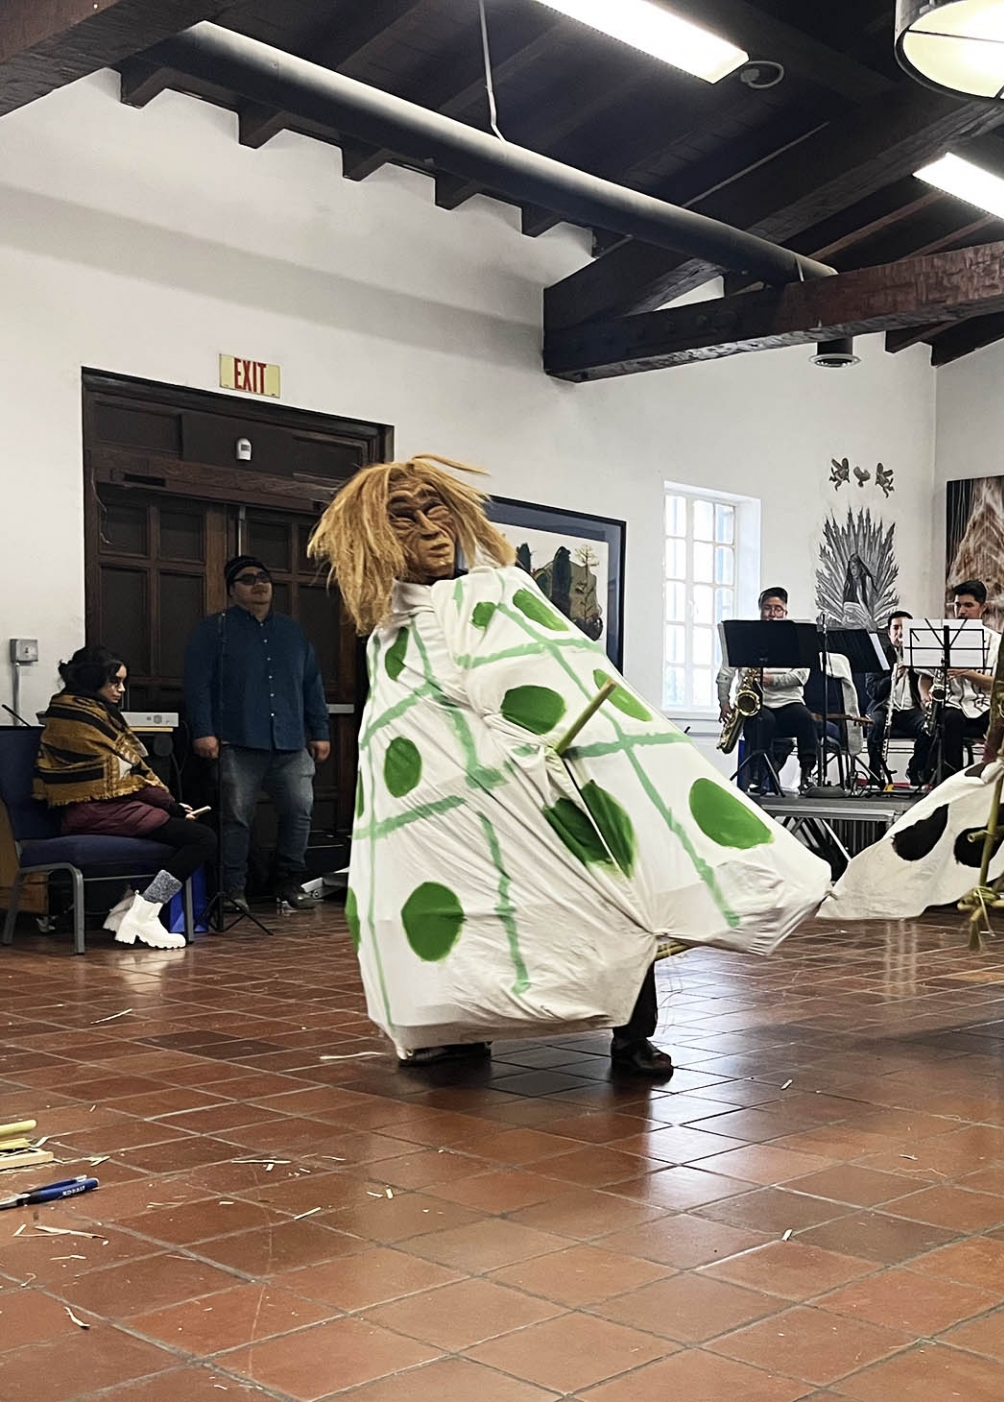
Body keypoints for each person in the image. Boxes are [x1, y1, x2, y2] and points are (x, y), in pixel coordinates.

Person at [307, 456, 829, 1075]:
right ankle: (459, 1024)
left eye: (436, 509)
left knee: (610, 891)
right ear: (376, 543)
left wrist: (536, 746)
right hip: (455, 813)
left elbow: (557, 677)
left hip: (542, 786)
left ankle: (632, 1036)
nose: (430, 529)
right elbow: (397, 732)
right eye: (404, 520)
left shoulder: (501, 594)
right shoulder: (390, 635)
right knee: (460, 901)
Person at [33, 646, 215, 950]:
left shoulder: (87, 709)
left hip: (111, 806)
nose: (121, 690)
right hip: (91, 810)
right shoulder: (75, 714)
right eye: (114, 682)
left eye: (123, 682)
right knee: (202, 839)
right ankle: (145, 912)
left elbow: (123, 773)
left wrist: (170, 807)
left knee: (189, 835)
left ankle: (128, 909)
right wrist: (169, 805)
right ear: (92, 680)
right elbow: (117, 773)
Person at [182, 556, 331, 914]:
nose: (259, 585)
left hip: (291, 742)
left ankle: (288, 882)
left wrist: (320, 731)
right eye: (248, 580)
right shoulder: (213, 630)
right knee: (236, 818)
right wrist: (203, 731)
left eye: (264, 578)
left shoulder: (292, 632)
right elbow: (197, 684)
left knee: (300, 812)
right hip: (237, 741)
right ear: (232, 591)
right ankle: (234, 889)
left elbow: (312, 684)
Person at [716, 587, 816, 793]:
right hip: (758, 703)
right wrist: (724, 702)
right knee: (763, 721)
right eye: (767, 608)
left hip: (789, 702)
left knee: (805, 719)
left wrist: (771, 680)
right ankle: (756, 777)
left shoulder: (796, 637)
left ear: (786, 612)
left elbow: (801, 676)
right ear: (760, 610)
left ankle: (807, 774)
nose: (772, 614)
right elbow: (726, 672)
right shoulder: (744, 637)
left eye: (778, 609)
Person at [925, 580, 1001, 781]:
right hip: (953, 705)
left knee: (1003, 722)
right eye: (958, 605)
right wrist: (926, 698)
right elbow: (924, 677)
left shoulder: (997, 642)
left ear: (983, 608)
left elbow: (1000, 684)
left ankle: (994, 780)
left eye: (969, 605)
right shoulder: (943, 638)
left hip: (985, 707)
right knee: (950, 719)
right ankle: (951, 781)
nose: (961, 611)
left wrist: (967, 673)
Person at [865, 610, 930, 785]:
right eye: (896, 628)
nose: (900, 633)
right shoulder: (879, 656)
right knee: (875, 724)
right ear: (889, 632)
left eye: (905, 628)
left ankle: (915, 769)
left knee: (929, 727)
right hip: (884, 708)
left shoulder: (921, 656)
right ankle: (875, 772)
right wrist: (894, 677)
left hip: (911, 710)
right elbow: (872, 691)